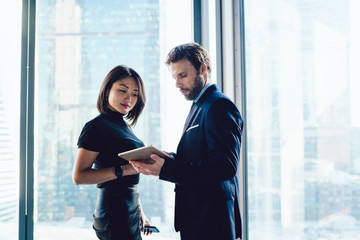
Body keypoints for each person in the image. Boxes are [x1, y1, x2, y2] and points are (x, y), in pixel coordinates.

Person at [130, 42, 243, 240]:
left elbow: (224, 166)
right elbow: (198, 156)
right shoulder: (200, 105)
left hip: (212, 223)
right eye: (175, 77)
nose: (177, 83)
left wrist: (166, 169)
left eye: (183, 75)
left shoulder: (219, 106)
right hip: (197, 220)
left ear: (202, 69)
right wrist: (164, 158)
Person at [72, 65, 152, 240]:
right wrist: (125, 169)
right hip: (113, 212)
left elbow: (129, 182)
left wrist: (141, 212)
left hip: (129, 210)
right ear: (107, 90)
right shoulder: (96, 126)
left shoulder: (125, 126)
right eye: (122, 90)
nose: (129, 98)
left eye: (135, 94)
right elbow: (79, 177)